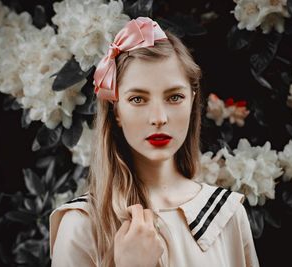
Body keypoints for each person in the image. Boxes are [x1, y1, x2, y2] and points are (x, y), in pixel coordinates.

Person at [49, 17, 259, 267]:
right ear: (115, 110)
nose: (159, 118)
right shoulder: (82, 226)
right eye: (138, 99)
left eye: (175, 97)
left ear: (193, 102)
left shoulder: (227, 215)